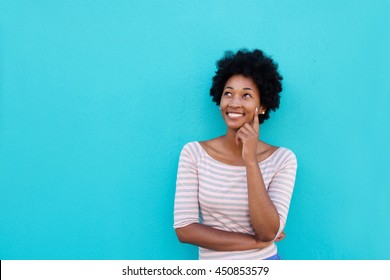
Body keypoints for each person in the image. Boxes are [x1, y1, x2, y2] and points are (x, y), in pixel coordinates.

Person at [173, 49, 297, 260]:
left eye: (246, 95)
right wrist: (255, 242)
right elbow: (185, 229)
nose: (234, 103)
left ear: (262, 107)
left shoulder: (282, 159)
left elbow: (267, 230)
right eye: (228, 93)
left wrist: (250, 160)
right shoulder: (194, 153)